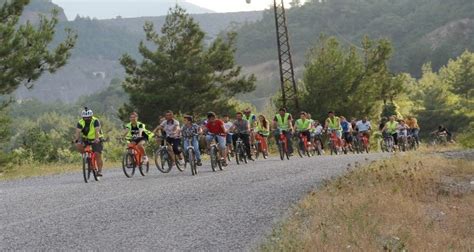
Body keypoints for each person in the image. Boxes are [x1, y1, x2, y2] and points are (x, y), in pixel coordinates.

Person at [74, 107, 104, 177]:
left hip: (97, 138)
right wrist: (76, 140)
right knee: (78, 145)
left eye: (88, 117)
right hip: (86, 138)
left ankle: (99, 171)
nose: (87, 119)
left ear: (91, 116)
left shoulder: (95, 120)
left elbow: (97, 131)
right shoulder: (80, 122)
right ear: (83, 117)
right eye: (85, 117)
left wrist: (97, 139)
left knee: (97, 154)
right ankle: (87, 157)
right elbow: (78, 132)